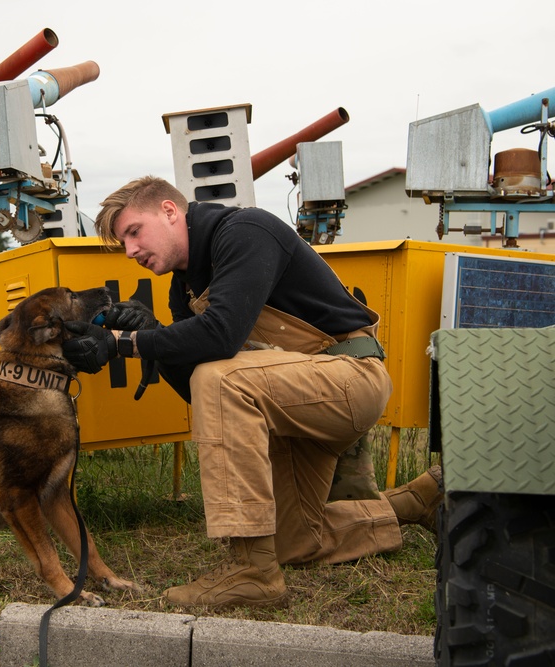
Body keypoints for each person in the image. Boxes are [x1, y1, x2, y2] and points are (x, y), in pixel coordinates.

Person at [62, 176, 443, 610]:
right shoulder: (183, 288)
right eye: (123, 242)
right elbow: (201, 394)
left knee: (222, 379)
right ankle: (415, 501)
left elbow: (221, 341)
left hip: (350, 379)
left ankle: (251, 571)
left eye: (133, 232)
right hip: (288, 404)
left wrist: (124, 344)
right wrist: (156, 338)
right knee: (296, 542)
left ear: (170, 211)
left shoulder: (245, 231)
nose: (130, 251)